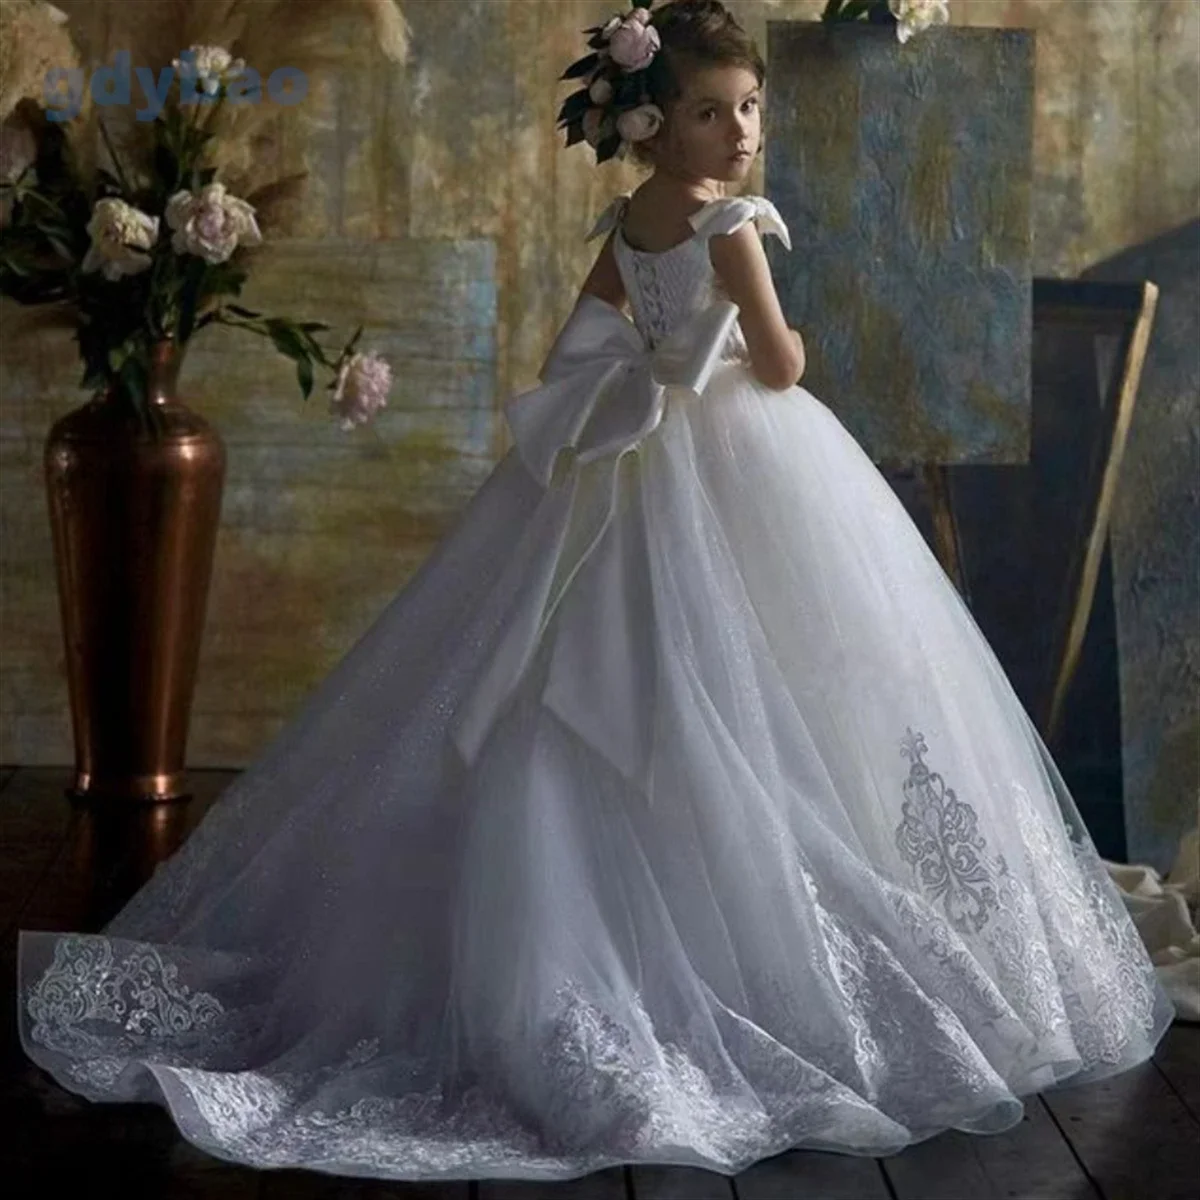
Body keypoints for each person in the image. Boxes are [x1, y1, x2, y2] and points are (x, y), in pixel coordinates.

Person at [17, 0, 1172, 1183]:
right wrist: (741, 336)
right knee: (742, 675)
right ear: (654, 124)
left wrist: (648, 371)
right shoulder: (731, 225)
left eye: (751, 108)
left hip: (627, 469)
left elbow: (569, 351)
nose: (741, 131)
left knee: (603, 671)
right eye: (713, 111)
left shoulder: (631, 222)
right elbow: (778, 364)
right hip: (737, 451)